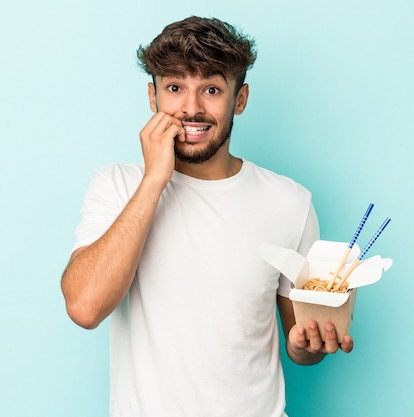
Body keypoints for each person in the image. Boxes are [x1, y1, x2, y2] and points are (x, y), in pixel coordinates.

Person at [61, 16, 353, 417]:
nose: (191, 109)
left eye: (211, 89)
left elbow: (299, 344)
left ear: (240, 99)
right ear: (153, 97)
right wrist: (154, 181)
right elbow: (85, 307)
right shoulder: (116, 186)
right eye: (175, 87)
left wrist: (306, 347)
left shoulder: (290, 202)